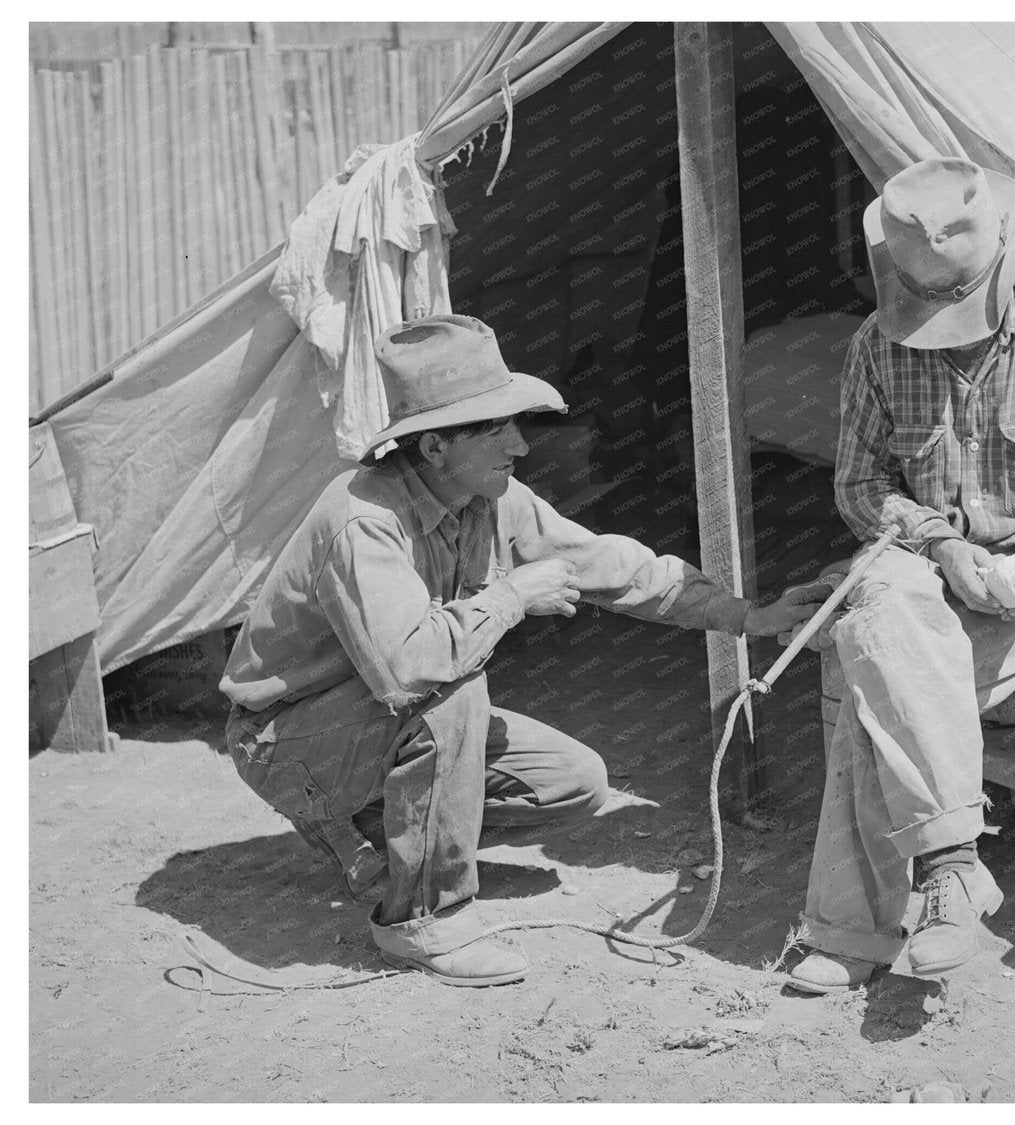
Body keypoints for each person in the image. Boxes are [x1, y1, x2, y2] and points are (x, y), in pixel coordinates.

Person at [220, 314, 825, 987]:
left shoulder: (488, 498)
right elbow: (407, 671)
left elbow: (608, 566)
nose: (521, 445)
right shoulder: (364, 520)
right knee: (449, 691)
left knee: (576, 782)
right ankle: (423, 920)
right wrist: (512, 596)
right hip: (287, 741)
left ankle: (401, 846)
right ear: (435, 447)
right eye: (495, 427)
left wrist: (748, 615)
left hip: (367, 727)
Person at [785, 158, 1015, 994]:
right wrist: (944, 547)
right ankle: (951, 867)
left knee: (874, 691)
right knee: (881, 608)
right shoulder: (876, 347)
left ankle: (855, 932)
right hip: (917, 573)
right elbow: (860, 486)